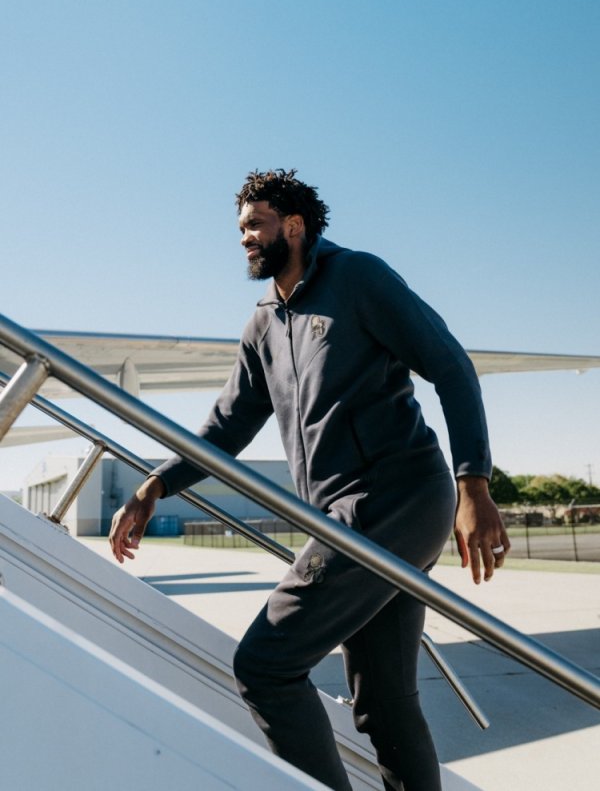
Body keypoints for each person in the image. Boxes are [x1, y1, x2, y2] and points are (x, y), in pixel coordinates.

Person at [109, 169, 510, 791]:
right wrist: (155, 484)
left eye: (254, 224)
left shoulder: (359, 278)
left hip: (394, 498)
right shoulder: (264, 322)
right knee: (384, 703)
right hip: (344, 518)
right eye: (240, 228)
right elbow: (227, 425)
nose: (244, 238)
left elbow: (452, 366)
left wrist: (473, 484)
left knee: (265, 665)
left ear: (293, 226)